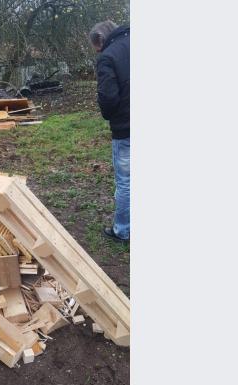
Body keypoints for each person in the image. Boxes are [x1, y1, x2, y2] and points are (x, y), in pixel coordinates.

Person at [89, 20, 130, 242]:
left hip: (126, 127)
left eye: (97, 48)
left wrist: (109, 113)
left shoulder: (108, 56)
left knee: (126, 181)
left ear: (101, 40)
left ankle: (123, 231)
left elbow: (108, 99)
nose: (98, 52)